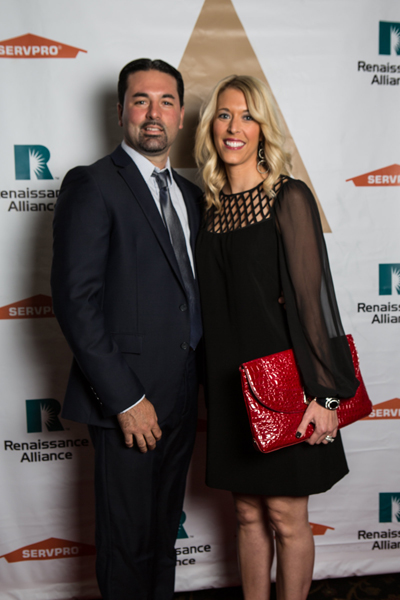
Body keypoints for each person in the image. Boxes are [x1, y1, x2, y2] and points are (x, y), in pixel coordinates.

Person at [194, 75, 359, 600]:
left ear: (263, 128)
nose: (234, 126)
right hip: (228, 385)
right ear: (211, 126)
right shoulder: (207, 208)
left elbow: (314, 302)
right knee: (246, 513)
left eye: (247, 116)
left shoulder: (288, 197)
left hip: (285, 387)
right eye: (224, 114)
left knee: (288, 518)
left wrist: (326, 395)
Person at [51, 58, 203, 600]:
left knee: (162, 539)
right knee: (126, 545)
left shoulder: (190, 196)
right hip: (129, 403)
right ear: (121, 112)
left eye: (166, 102)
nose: (153, 113)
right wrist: (126, 400)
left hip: (183, 396)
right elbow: (76, 302)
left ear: (180, 115)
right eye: (141, 100)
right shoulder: (92, 184)